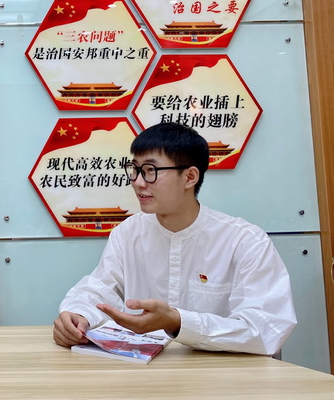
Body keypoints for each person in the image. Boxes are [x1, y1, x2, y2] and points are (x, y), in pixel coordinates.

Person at [53, 122, 297, 356]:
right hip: (144, 374)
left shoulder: (244, 241)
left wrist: (179, 322)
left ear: (189, 177)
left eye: (151, 171)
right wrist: (78, 315)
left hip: (222, 376)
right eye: (135, 169)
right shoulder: (128, 233)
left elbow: (266, 329)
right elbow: (98, 290)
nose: (138, 182)